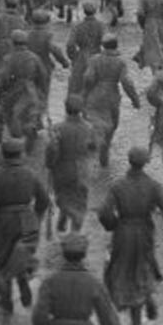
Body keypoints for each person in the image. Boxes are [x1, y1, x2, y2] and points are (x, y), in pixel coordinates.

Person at [98, 144, 163, 325]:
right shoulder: (153, 186)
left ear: (129, 161)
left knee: (121, 270)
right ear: (145, 163)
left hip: (123, 233)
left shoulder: (118, 185)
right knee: (143, 265)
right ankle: (145, 298)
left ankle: (136, 321)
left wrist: (112, 225)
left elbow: (104, 212)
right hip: (145, 232)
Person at [0, 137, 50, 312]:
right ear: (20, 154)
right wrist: (37, 217)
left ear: (3, 155)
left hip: (2, 222)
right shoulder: (30, 173)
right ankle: (23, 279)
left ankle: (6, 300)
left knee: (3, 258)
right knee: (22, 253)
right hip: (26, 219)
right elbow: (44, 200)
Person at [82, 35, 142, 167]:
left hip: (95, 95)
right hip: (112, 97)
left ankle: (92, 145)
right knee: (111, 128)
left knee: (93, 121)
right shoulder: (120, 62)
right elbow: (127, 82)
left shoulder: (94, 60)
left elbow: (88, 77)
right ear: (116, 45)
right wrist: (135, 100)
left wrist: (84, 95)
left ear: (103, 46)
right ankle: (104, 162)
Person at [45, 96, 98, 233]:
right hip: (82, 170)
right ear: (81, 109)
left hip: (62, 170)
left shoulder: (58, 128)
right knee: (80, 201)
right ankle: (74, 233)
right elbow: (94, 148)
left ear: (66, 108)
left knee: (63, 195)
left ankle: (64, 217)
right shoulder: (89, 128)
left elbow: (51, 151)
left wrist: (49, 165)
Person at [0, 31, 48, 152]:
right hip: (31, 91)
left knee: (12, 117)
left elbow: (3, 78)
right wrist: (41, 93)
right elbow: (43, 76)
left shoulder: (9, 58)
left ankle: (17, 145)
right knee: (31, 116)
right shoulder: (35, 57)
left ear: (13, 43)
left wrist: (0, 88)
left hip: (15, 92)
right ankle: (30, 143)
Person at [65, 1, 105, 98]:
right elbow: (106, 41)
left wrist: (73, 57)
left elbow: (70, 44)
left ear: (84, 11)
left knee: (77, 89)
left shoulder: (77, 26)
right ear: (95, 12)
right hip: (97, 55)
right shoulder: (101, 25)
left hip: (81, 57)